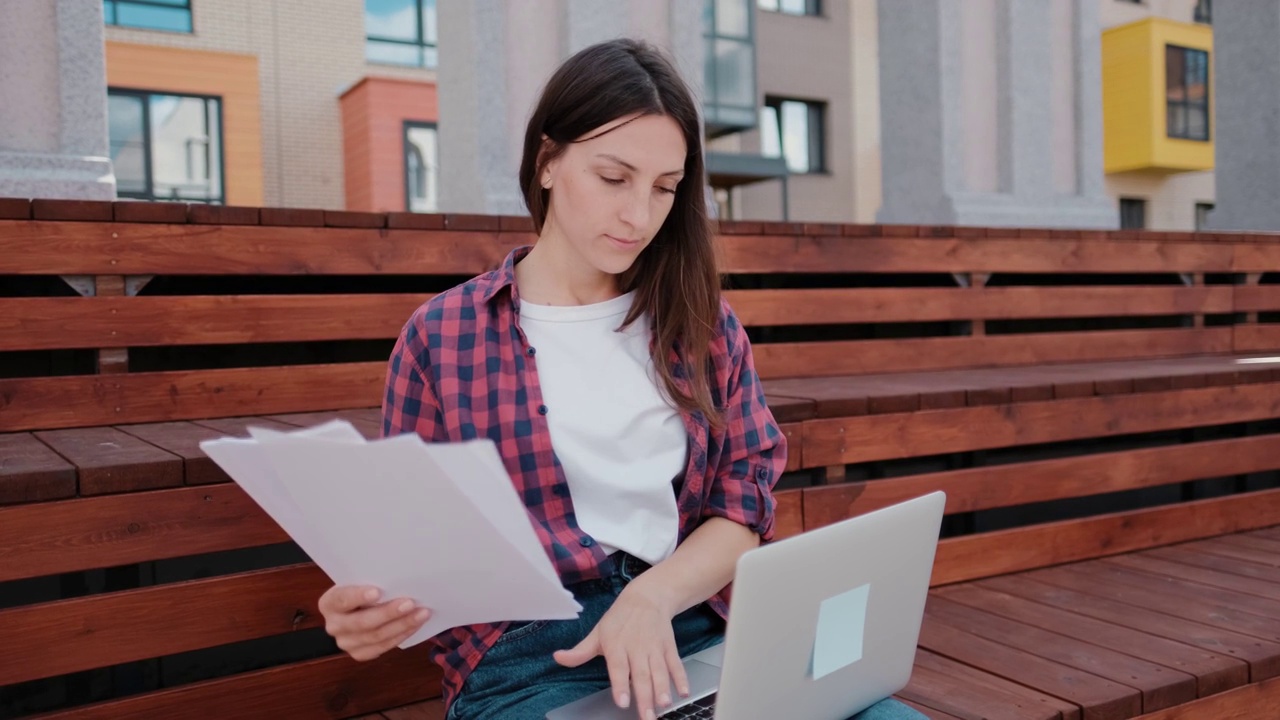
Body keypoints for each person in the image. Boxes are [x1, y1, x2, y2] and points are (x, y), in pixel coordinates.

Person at [317, 38, 927, 720]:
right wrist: (368, 611)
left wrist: (652, 597)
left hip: (693, 625)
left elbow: (742, 508)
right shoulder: (443, 337)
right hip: (531, 664)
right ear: (548, 161)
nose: (640, 215)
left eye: (665, 188)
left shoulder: (700, 323)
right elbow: (413, 543)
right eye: (615, 178)